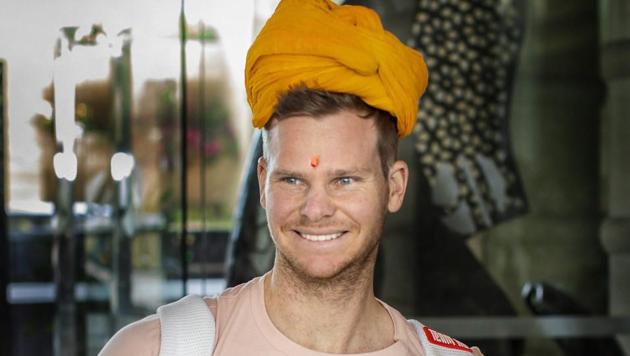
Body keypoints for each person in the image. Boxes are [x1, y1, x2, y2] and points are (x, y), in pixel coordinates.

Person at [99, 0, 484, 355]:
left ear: (395, 187)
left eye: (344, 180)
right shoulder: (157, 349)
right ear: (263, 182)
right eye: (292, 180)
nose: (315, 210)